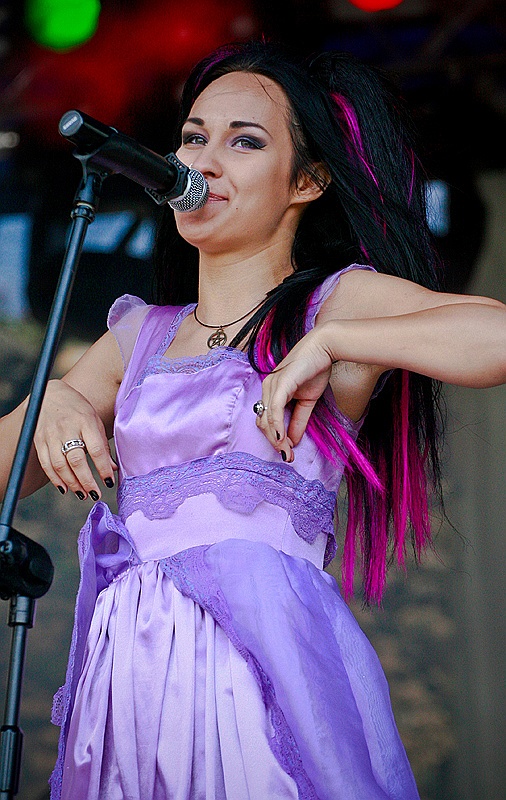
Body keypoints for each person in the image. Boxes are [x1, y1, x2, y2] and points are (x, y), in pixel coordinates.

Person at [1, 41, 505, 800]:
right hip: (131, 687)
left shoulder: (331, 303)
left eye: (245, 141)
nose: (205, 159)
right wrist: (55, 401)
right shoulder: (139, 337)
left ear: (306, 181)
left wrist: (334, 342)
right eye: (195, 136)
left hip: (258, 683)